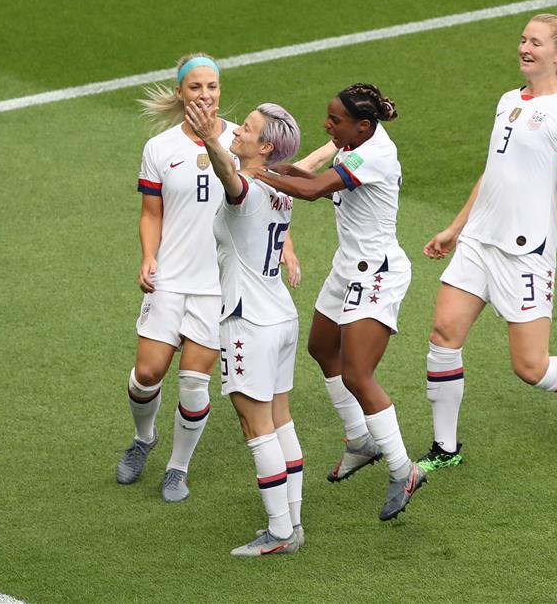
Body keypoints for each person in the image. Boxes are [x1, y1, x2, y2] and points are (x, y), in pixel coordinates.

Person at [416, 0, 557, 474]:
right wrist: (456, 228)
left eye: (535, 42)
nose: (524, 48)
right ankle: (445, 447)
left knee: (530, 367)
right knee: (443, 334)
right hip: (478, 243)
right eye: (523, 39)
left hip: (525, 252)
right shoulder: (509, 101)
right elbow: (493, 172)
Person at [115, 53, 301, 503]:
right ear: (180, 92)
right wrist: (148, 256)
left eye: (212, 86)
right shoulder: (159, 149)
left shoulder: (242, 140)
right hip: (171, 277)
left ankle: (177, 468)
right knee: (147, 375)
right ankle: (144, 438)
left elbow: (268, 193)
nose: (205, 95)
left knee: (194, 383)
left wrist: (286, 246)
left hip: (217, 286)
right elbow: (151, 212)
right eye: (195, 87)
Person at [255, 83, 426, 522]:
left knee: (357, 374)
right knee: (321, 347)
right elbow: (312, 180)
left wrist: (256, 174)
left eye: (335, 120)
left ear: (363, 126)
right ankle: (360, 440)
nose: (327, 125)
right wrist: (280, 169)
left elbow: (313, 191)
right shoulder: (354, 145)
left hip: (377, 273)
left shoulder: (374, 155)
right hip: (348, 267)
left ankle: (403, 469)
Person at [186, 99, 304, 556]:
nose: (236, 131)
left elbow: (229, 178)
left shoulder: (250, 191)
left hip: (248, 322)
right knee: (280, 419)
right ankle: (292, 522)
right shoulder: (281, 189)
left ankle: (279, 533)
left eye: (247, 129)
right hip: (281, 316)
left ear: (266, 147)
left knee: (256, 427)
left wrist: (208, 139)